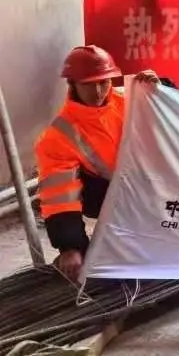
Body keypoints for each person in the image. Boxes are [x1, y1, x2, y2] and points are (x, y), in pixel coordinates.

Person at [34, 45, 162, 281]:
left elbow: (172, 126)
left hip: (146, 183)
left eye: (104, 82)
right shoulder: (58, 136)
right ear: (72, 84)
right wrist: (70, 247)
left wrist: (159, 93)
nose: (98, 91)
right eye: (88, 84)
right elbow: (60, 195)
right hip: (105, 194)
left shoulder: (129, 101)